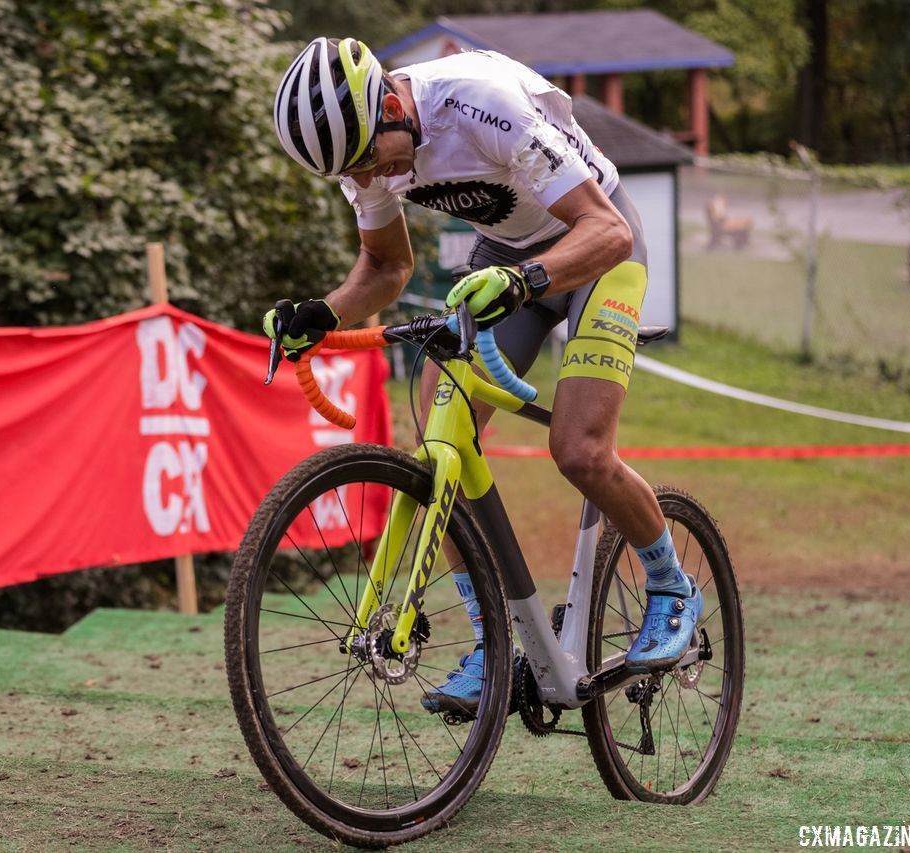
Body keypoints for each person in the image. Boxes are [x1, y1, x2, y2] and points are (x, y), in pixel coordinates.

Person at [264, 37, 702, 716]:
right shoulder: (361, 150)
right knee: (445, 447)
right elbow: (386, 268)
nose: (372, 173)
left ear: (387, 100)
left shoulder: (478, 106)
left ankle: (673, 586)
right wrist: (322, 314)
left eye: (370, 155)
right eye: (354, 169)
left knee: (579, 450)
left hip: (597, 247)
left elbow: (607, 230)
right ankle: (493, 643)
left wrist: (527, 279)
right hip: (507, 257)